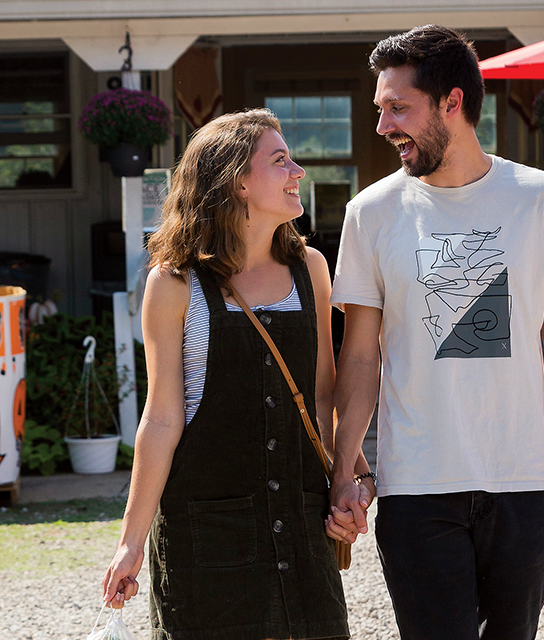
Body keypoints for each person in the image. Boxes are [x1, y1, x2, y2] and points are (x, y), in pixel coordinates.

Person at [325, 25, 544, 640]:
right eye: (378, 108)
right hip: (416, 487)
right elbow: (358, 356)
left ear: (453, 102)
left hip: (522, 482)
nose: (384, 125)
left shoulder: (538, 197)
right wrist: (342, 469)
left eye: (398, 107)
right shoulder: (371, 212)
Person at [101, 108, 373, 640]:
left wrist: (348, 481)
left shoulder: (311, 269)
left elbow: (321, 396)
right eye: (280, 161)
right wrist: (131, 541)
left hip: (299, 528)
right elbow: (160, 419)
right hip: (205, 538)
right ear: (237, 183)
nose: (298, 172)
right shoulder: (175, 282)